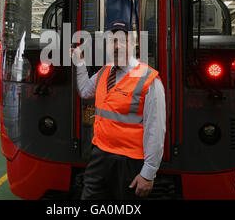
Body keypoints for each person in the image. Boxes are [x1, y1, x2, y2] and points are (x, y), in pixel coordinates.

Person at [71, 19, 166, 200]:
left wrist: (148, 173)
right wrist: (80, 64)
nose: (117, 46)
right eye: (112, 41)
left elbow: (156, 129)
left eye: (123, 40)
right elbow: (84, 91)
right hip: (99, 155)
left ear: (134, 43)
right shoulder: (104, 72)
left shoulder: (149, 79)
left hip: (129, 162)